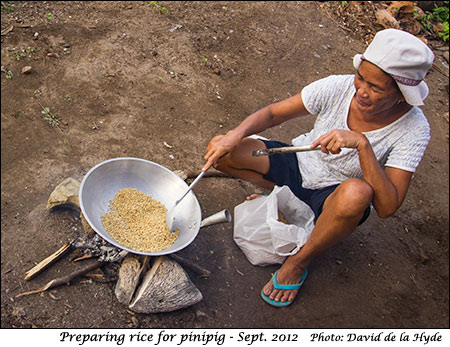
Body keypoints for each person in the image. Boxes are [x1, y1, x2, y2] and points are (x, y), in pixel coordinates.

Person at [202, 28, 434, 307]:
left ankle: (300, 260)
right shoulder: (340, 86)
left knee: (358, 193)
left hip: (335, 197)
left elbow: (387, 207)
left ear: (401, 95)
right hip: (300, 161)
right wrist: (233, 136)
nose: (361, 90)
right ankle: (284, 200)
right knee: (224, 151)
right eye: (361, 77)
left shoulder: (414, 128)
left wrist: (362, 145)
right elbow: (274, 114)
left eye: (375, 88)